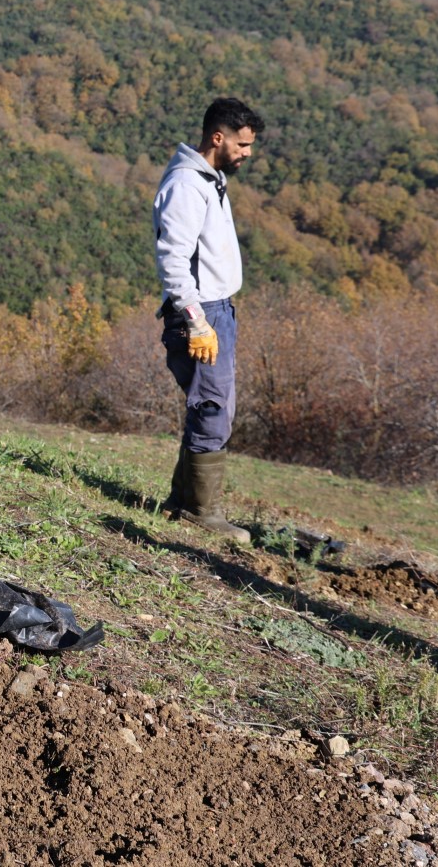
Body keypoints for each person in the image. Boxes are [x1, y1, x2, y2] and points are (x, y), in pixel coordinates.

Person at [153, 97, 264, 544]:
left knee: (212, 403)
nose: (247, 153)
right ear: (217, 138)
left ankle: (183, 501)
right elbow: (173, 258)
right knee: (212, 408)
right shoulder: (186, 185)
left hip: (217, 308)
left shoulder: (210, 178)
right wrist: (197, 320)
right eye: (242, 144)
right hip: (201, 313)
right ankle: (202, 511)